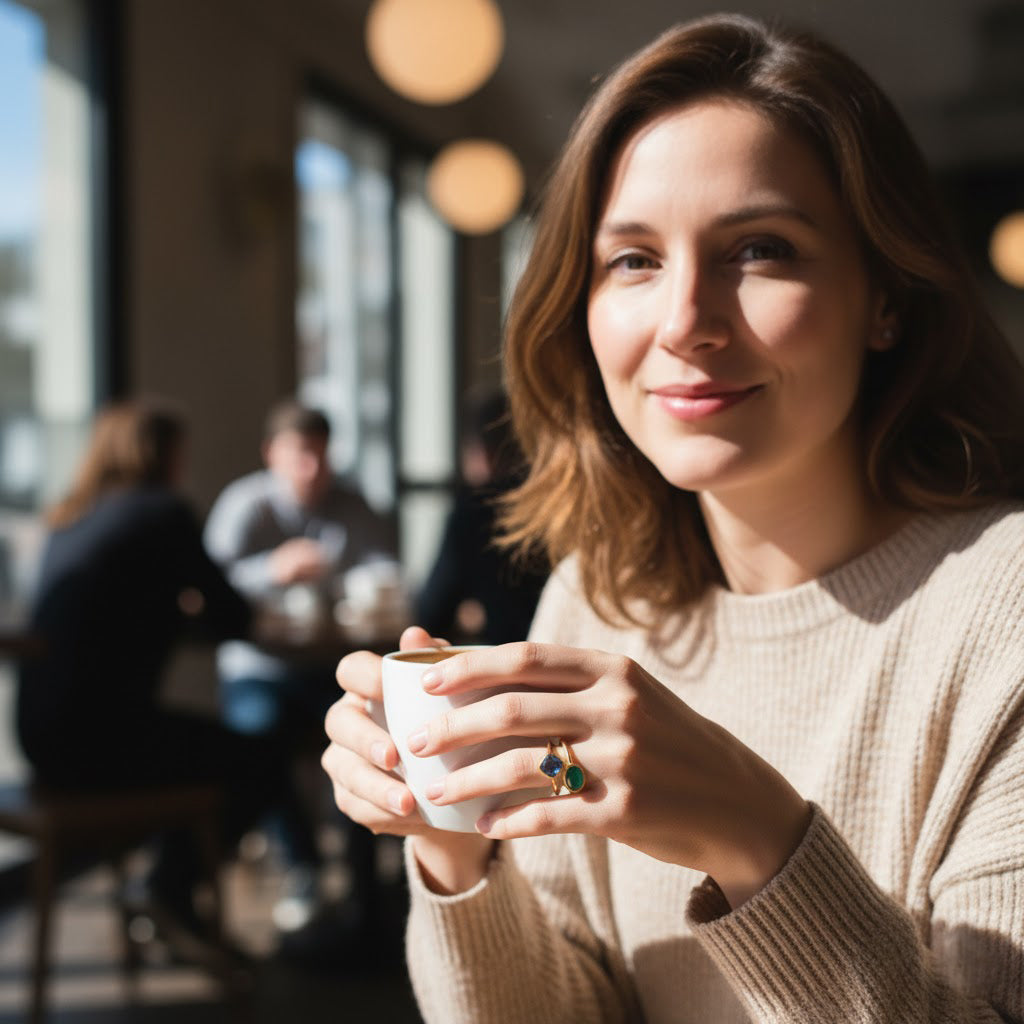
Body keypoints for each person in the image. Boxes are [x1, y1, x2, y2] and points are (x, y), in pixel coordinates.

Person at [322, 12, 1024, 1023]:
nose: (685, 321)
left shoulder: (998, 614)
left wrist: (755, 840)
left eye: (761, 248)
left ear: (886, 298)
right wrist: (453, 843)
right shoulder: (599, 600)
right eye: (634, 261)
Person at [16, 397, 281, 963]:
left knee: (223, 749)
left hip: (41, 738)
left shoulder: (70, 518)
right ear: (165, 455)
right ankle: (169, 890)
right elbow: (232, 616)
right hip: (100, 744)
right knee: (262, 762)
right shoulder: (162, 513)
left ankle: (164, 891)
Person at [204, 398, 396, 933]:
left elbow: (388, 570)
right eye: (298, 456)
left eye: (319, 455)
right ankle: (303, 865)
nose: (310, 469)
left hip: (328, 665)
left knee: (369, 737)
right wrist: (273, 570)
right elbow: (211, 586)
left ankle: (364, 884)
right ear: (272, 455)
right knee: (258, 735)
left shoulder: (352, 505)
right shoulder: (245, 505)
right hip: (260, 667)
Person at [415, 390, 547, 646]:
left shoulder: (476, 510)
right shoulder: (561, 505)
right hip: (570, 664)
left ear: (481, 452)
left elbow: (431, 612)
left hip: (502, 665)